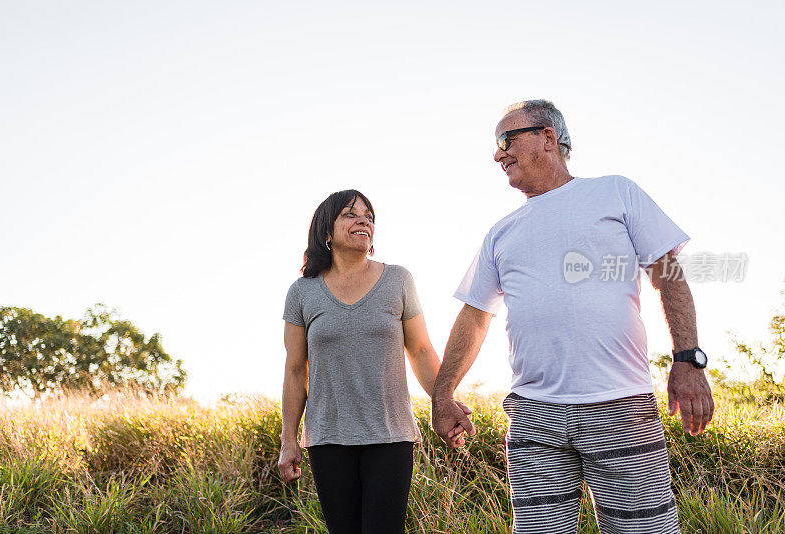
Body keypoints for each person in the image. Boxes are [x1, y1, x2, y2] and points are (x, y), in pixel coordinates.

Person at [431, 100, 714, 534]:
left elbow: (669, 275)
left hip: (620, 406)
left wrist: (688, 359)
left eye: (506, 140)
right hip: (533, 416)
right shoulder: (501, 233)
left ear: (547, 137)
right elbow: (474, 316)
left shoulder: (616, 192)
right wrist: (443, 393)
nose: (497, 154)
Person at [278, 189, 467, 534]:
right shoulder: (302, 292)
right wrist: (288, 439)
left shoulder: (398, 280)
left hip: (390, 435)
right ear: (326, 231)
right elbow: (295, 370)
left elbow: (421, 350)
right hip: (327, 437)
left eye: (369, 215)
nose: (364, 220)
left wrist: (445, 400)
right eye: (350, 214)